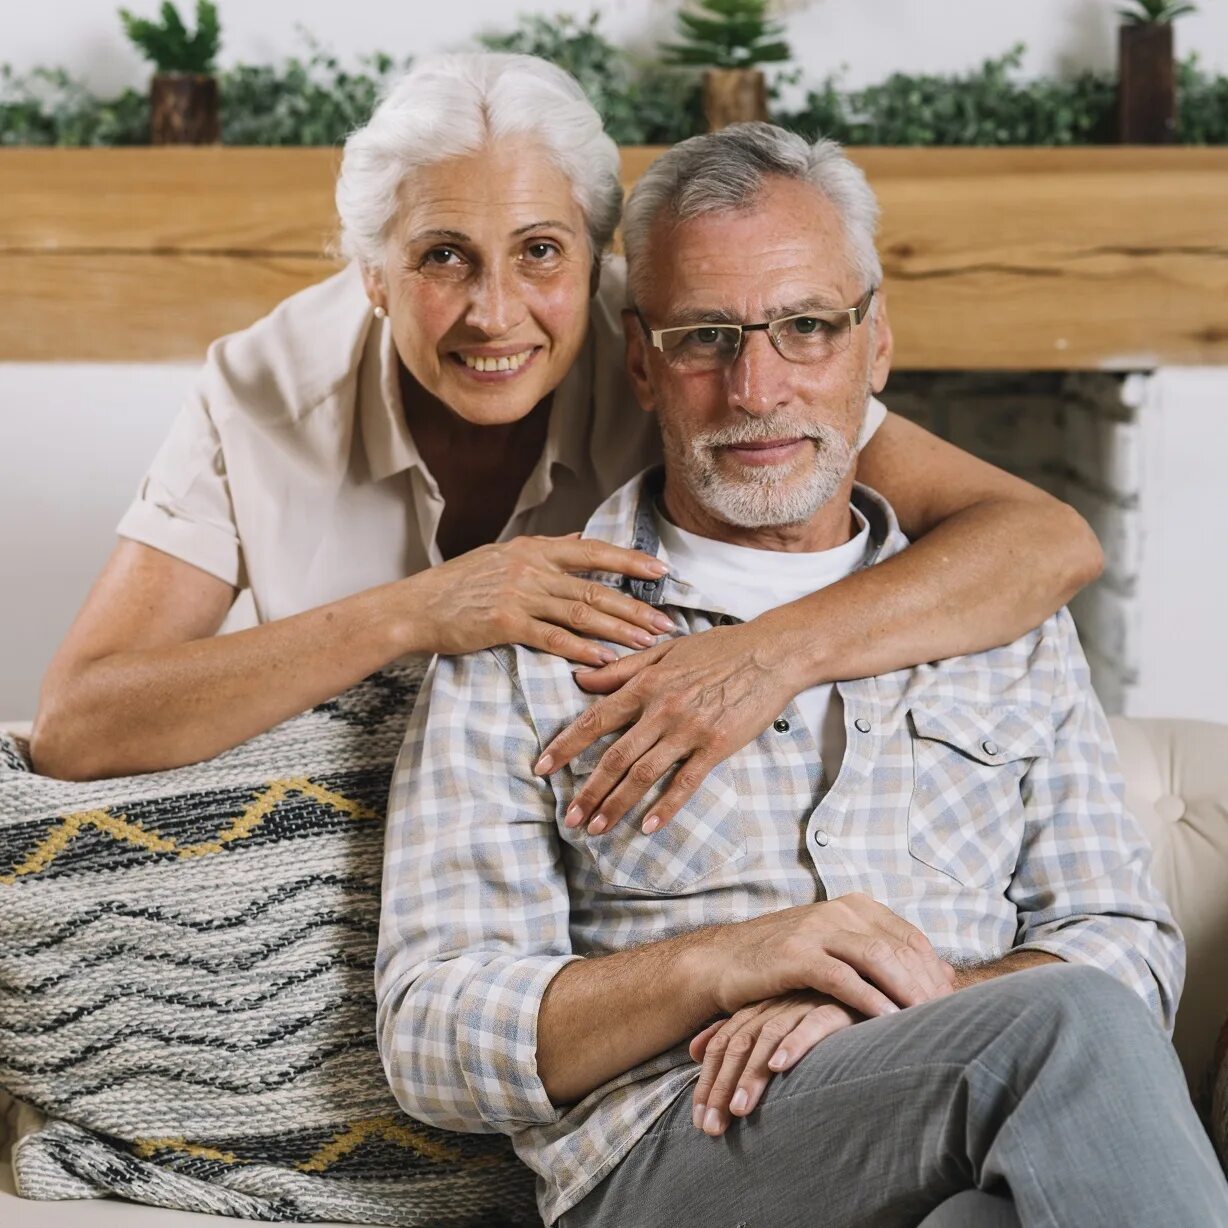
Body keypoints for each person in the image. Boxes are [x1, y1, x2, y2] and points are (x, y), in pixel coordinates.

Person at [375, 124, 1228, 1228]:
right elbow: (435, 1034)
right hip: (677, 1157)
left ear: (873, 346)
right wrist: (735, 962)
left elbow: (1122, 942)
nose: (755, 385)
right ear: (640, 360)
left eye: (806, 328)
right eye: (704, 337)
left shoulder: (998, 617)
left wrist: (917, 1016)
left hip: (984, 1133)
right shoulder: (531, 638)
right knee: (1067, 1027)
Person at [31, 53, 1101, 804]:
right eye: (442, 255)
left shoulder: (692, 349)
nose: (495, 313)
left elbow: (1043, 540)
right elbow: (81, 721)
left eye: (540, 252)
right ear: (370, 275)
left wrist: (771, 656)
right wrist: (417, 612)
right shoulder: (259, 388)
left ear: (599, 264)